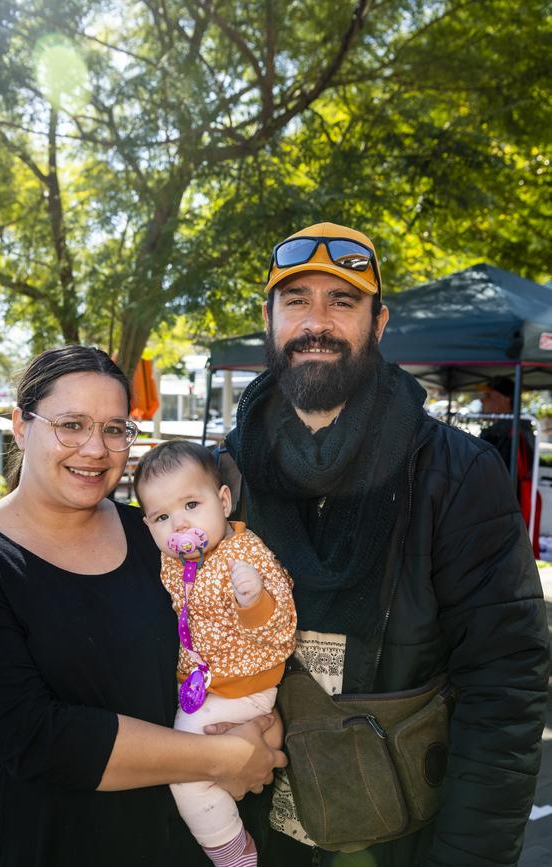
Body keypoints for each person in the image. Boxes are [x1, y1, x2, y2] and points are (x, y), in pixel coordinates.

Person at [218, 222, 550, 866]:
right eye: (296, 300)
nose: (317, 321)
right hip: (251, 832)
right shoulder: (222, 478)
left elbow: (505, 685)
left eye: (343, 301)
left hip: (400, 836)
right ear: (269, 317)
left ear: (379, 322)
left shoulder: (456, 474)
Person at [0, 345, 286, 867]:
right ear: (21, 426)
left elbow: (226, 637)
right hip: (69, 846)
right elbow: (34, 737)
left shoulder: (156, 535)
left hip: (194, 845)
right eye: (71, 424)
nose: (95, 448)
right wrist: (224, 756)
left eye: (115, 429)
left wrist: (260, 724)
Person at [133, 440, 297, 867]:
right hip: (207, 684)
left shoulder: (243, 555)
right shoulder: (175, 560)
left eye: (191, 504)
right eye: (163, 517)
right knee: (197, 767)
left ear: (223, 501)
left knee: (186, 771)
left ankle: (232, 850)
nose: (179, 524)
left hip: (242, 684)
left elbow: (279, 623)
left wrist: (253, 599)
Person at [480, 376, 542, 556]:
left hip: (506, 508)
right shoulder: (521, 426)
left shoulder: (507, 430)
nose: (482, 400)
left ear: (506, 399)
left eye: (489, 396)